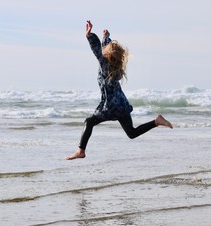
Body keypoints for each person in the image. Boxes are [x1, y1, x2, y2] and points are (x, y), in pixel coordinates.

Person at [67, 20, 173, 160]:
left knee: (89, 122)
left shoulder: (104, 63)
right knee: (131, 133)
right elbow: (107, 50)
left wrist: (88, 35)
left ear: (107, 55)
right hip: (122, 104)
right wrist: (106, 37)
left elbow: (97, 49)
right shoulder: (115, 65)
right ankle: (156, 121)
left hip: (110, 106)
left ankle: (81, 150)